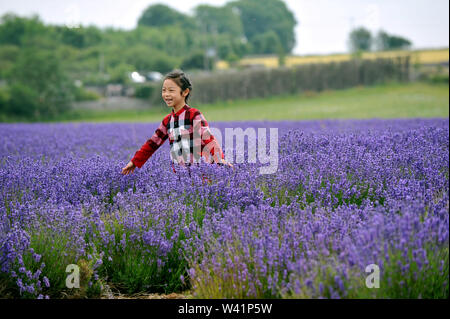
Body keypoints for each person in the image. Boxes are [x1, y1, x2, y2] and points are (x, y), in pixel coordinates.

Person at [122, 70, 232, 176]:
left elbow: (208, 138)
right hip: (180, 175)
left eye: (171, 90)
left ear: (185, 92)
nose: (166, 94)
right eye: (164, 90)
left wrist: (219, 158)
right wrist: (135, 162)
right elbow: (152, 144)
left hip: (202, 173)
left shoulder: (193, 115)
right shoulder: (167, 121)